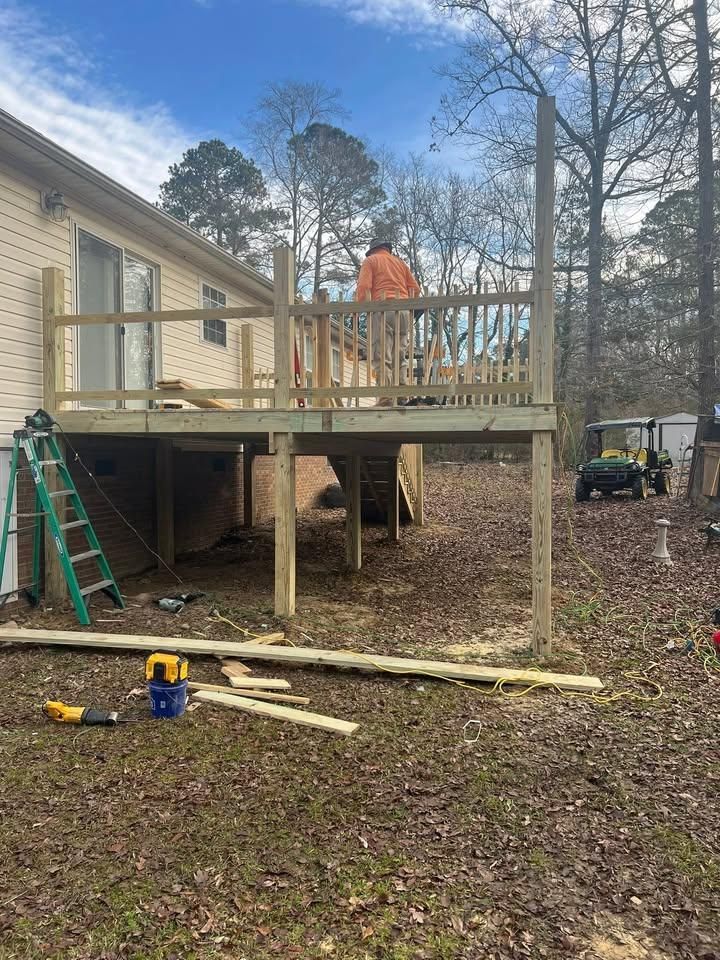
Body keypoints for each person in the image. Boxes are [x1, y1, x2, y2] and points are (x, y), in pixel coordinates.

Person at [355, 239, 420, 405]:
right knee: (400, 354)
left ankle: (385, 396)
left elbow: (363, 287)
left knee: (382, 354)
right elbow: (415, 289)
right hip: (403, 310)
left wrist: (360, 308)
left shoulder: (371, 261)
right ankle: (401, 394)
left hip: (382, 309)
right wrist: (409, 307)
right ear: (387, 249)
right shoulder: (400, 263)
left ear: (372, 251)